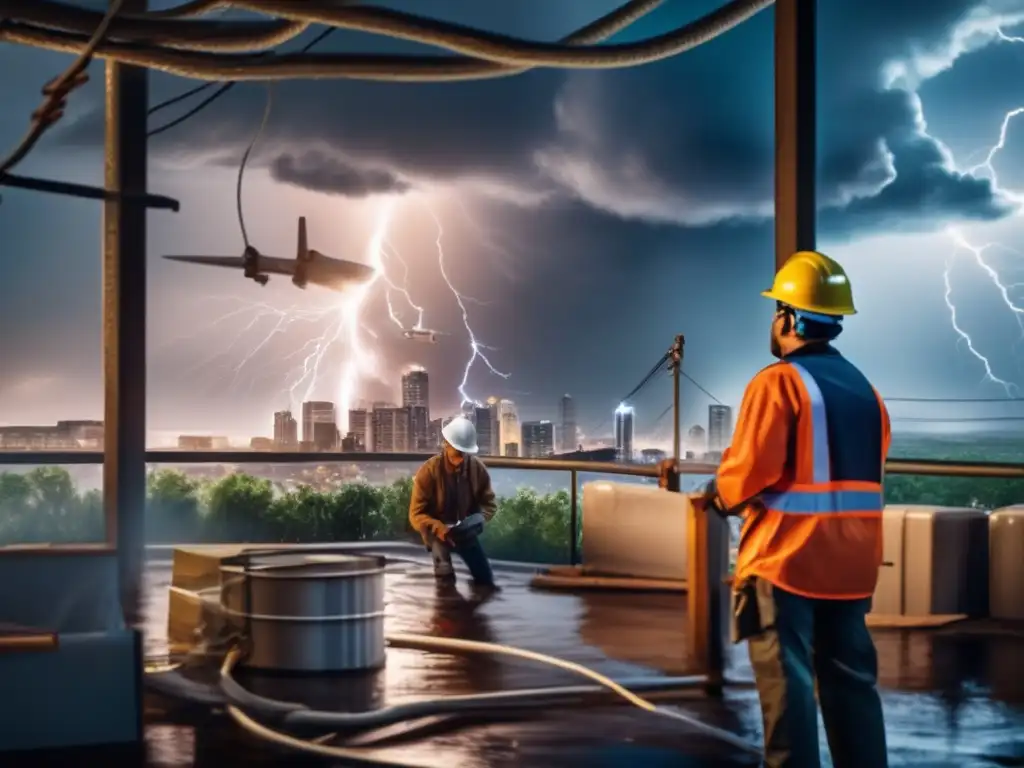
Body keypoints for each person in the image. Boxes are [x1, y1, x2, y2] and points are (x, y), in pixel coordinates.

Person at [695, 250, 890, 768]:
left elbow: (747, 474)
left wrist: (716, 491)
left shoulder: (779, 382)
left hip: (786, 565)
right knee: (853, 695)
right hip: (851, 569)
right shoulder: (867, 393)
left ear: (789, 317)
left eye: (776, 310)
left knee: (790, 701)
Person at [408, 415, 500, 593]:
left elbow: (489, 504)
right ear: (446, 445)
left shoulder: (477, 470)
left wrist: (477, 520)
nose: (460, 459)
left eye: (463, 454)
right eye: (457, 453)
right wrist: (437, 527)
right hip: (438, 534)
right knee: (445, 581)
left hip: (465, 533)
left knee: (485, 580)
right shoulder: (428, 471)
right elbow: (416, 514)